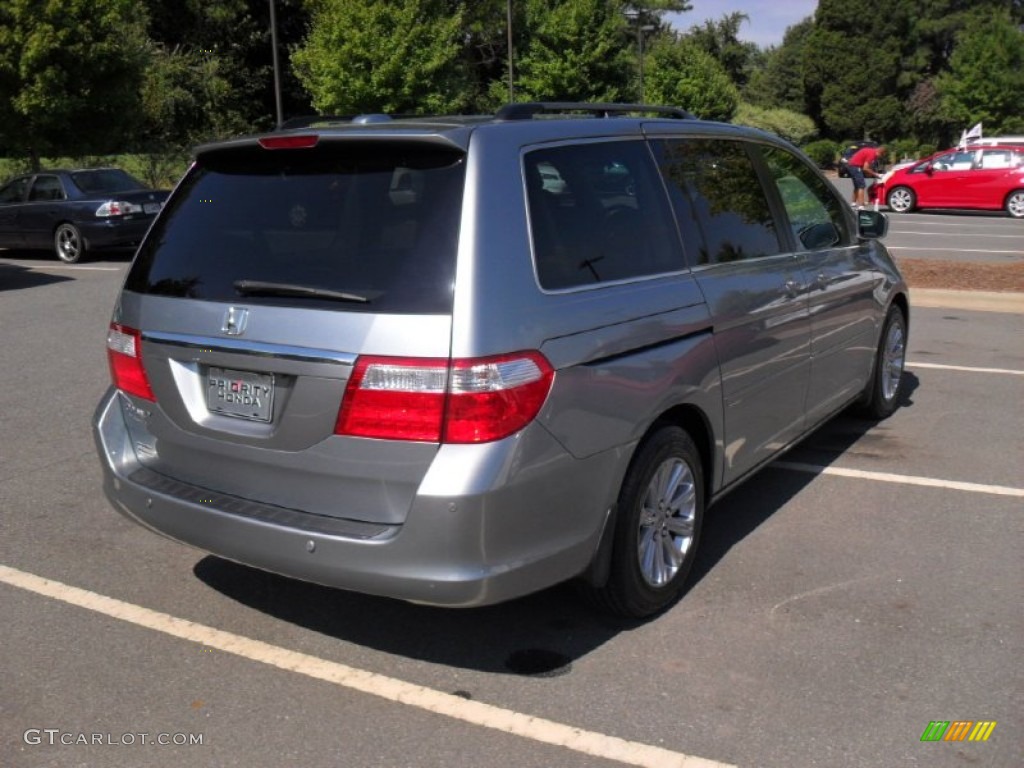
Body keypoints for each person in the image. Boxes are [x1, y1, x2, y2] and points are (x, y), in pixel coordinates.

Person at [847, 144, 886, 208]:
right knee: (861, 186)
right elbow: (865, 168)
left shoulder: (871, 151)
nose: (879, 158)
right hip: (855, 166)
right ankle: (861, 206)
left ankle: (853, 202)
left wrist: (872, 173)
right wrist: (877, 174)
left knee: (857, 186)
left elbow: (866, 167)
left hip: (852, 165)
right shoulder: (872, 154)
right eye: (880, 156)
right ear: (879, 153)